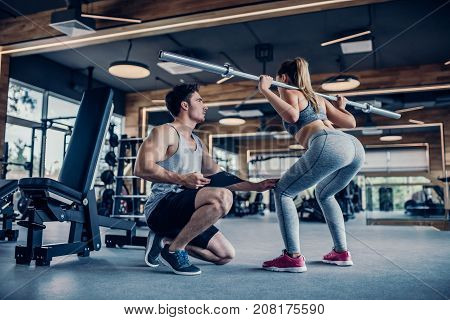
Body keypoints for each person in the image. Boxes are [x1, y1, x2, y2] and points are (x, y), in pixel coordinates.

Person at [134, 83, 277, 276]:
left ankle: (166, 243)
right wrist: (182, 179)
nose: (205, 106)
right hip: (161, 208)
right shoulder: (165, 132)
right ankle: (176, 250)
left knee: (225, 256)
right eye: (200, 100)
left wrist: (255, 186)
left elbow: (219, 176)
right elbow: (142, 168)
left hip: (185, 211)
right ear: (185, 105)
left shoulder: (199, 143)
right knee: (222, 198)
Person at [257, 57, 365, 272]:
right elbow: (350, 123)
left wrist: (266, 90)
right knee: (324, 194)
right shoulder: (317, 98)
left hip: (327, 143)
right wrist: (341, 108)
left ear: (284, 78)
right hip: (353, 147)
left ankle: (292, 257)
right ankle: (341, 252)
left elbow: (292, 115)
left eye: (278, 81)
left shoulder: (288, 90)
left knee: (283, 192)